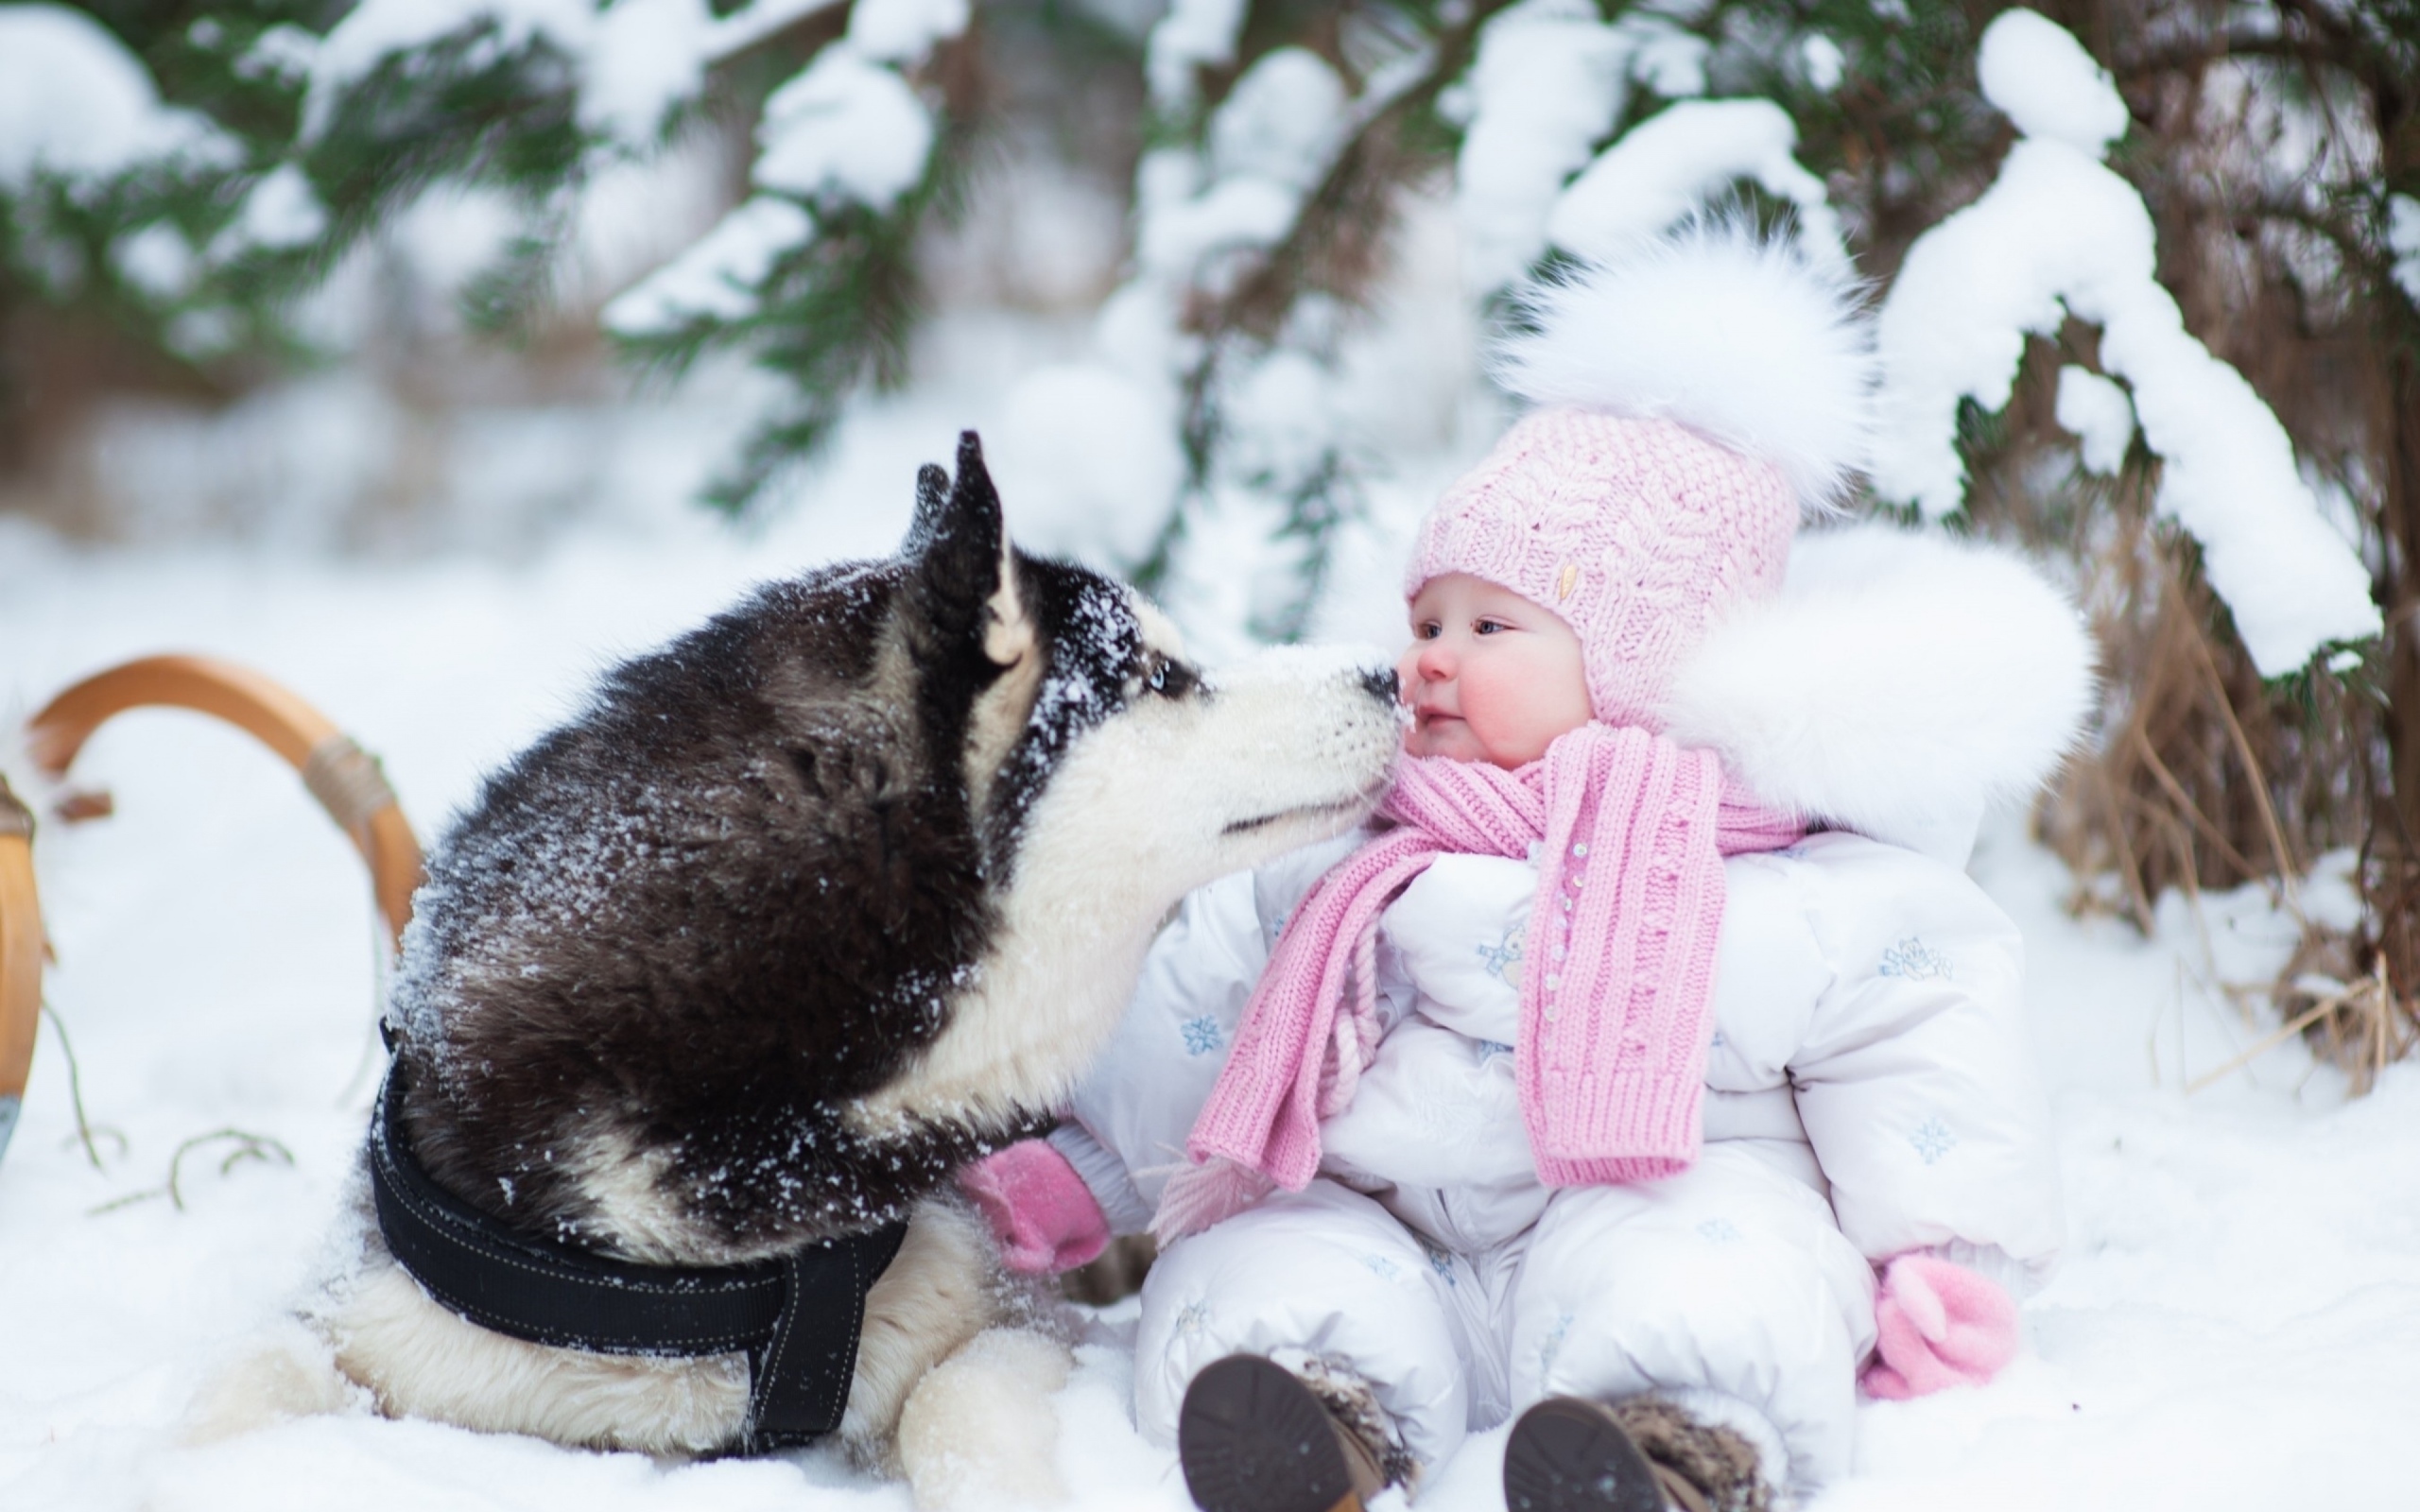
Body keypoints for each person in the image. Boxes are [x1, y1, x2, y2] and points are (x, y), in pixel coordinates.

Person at [959, 219, 2093, 1512]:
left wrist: (1946, 1255)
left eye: (1491, 625)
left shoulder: (1784, 881)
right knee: (1263, 1256)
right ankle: (1313, 1428)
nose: (1430, 656)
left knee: (1724, 1273)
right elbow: (1209, 1014)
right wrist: (1091, 1165)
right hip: (1393, 1222)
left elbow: (1923, 1038)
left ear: (1642, 669)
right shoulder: (1356, 850)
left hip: (1656, 1200)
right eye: (1425, 618)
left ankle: (1671, 1449)